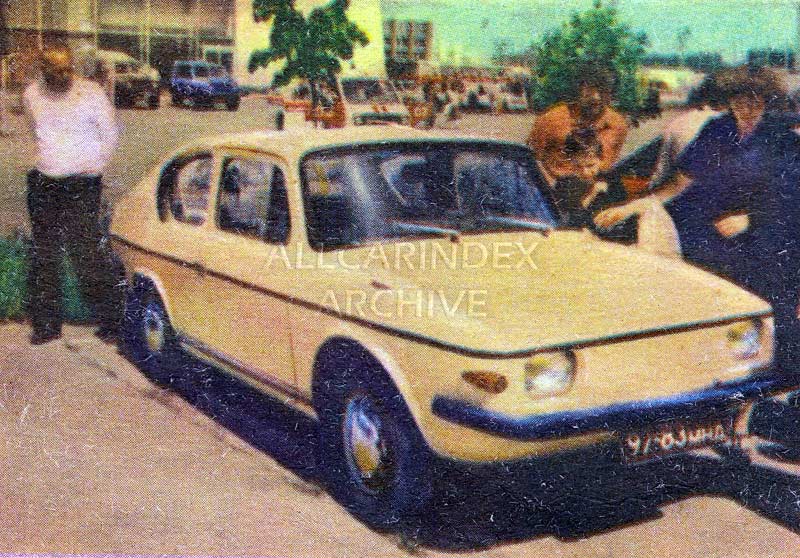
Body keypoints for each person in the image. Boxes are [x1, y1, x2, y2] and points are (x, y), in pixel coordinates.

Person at [604, 65, 800, 372]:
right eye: (739, 99)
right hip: (712, 233)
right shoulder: (716, 129)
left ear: (766, 100)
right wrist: (639, 205)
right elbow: (681, 182)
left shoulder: (782, 139)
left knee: (765, 316)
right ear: (729, 99)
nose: (746, 106)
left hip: (765, 238)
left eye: (755, 100)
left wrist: (751, 219)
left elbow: (792, 196)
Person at [23, 44, 123, 345]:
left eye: (68, 69)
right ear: (43, 70)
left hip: (82, 183)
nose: (64, 75)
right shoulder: (31, 95)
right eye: (56, 70)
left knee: (86, 251)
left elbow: (109, 135)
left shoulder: (91, 93)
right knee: (45, 254)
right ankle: (46, 325)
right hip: (45, 183)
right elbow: (35, 131)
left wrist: (93, 167)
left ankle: (111, 321)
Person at [527, 63, 629, 185]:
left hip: (597, 192)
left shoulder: (618, 124)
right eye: (590, 90)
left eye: (603, 91)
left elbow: (609, 165)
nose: (596, 97)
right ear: (579, 90)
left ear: (611, 92)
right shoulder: (551, 120)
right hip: (554, 191)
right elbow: (529, 160)